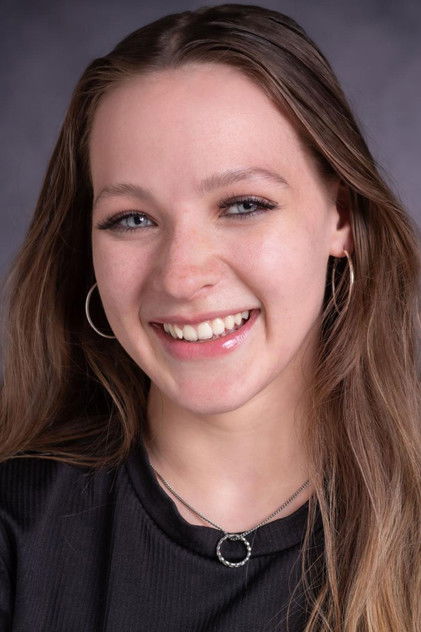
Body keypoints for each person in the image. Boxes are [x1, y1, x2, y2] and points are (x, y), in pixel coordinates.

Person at [0, 4, 420, 631]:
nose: (180, 276)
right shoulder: (15, 536)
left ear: (342, 218)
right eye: (132, 219)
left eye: (243, 205)